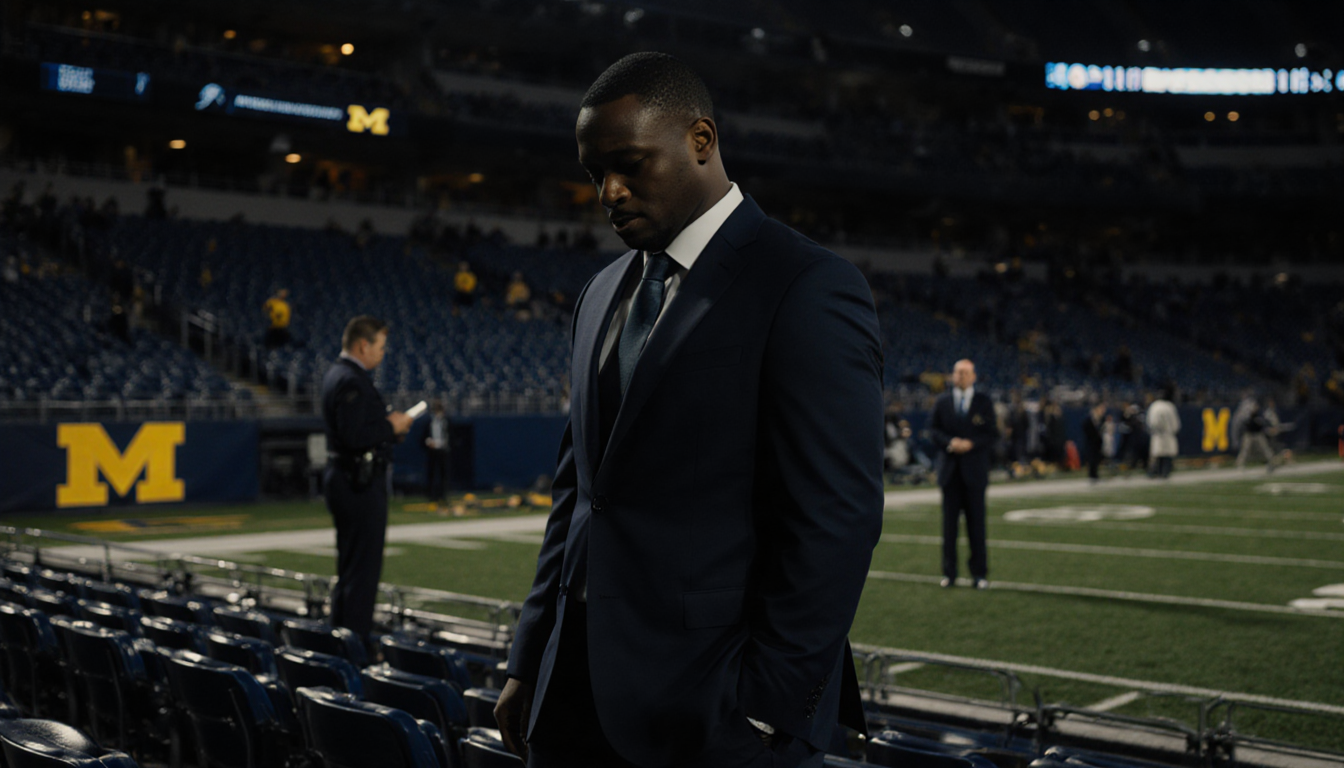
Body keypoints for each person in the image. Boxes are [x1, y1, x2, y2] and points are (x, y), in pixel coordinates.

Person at [494, 52, 884, 768]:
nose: (608, 191)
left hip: (715, 711)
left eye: (628, 164)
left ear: (700, 141)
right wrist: (532, 656)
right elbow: (579, 497)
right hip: (571, 695)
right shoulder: (600, 290)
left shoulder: (806, 285)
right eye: (593, 174)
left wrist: (769, 709)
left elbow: (837, 518)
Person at [320, 316, 413, 642]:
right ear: (363, 345)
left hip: (346, 478)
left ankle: (341, 641)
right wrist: (392, 427)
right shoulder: (351, 379)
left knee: (350, 569)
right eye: (380, 346)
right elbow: (355, 435)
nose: (383, 353)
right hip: (357, 482)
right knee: (362, 573)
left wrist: (386, 430)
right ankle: (352, 649)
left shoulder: (338, 374)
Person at [928, 359, 999, 589]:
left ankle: (979, 574)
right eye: (958, 372)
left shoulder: (983, 402)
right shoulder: (942, 401)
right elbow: (933, 430)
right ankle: (949, 573)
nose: (961, 376)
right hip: (950, 473)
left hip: (975, 473)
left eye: (965, 372)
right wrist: (950, 442)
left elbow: (991, 434)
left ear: (974, 376)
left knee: (977, 526)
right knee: (949, 528)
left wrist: (971, 443)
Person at [1146, 385, 1180, 479]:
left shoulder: (1154, 406)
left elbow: (1151, 422)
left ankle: (1153, 473)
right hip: (1168, 435)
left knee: (1157, 455)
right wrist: (1173, 431)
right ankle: (1165, 472)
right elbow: (1175, 423)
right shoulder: (1170, 406)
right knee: (1167, 455)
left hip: (1157, 435)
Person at [424, 401, 451, 503]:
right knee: (432, 473)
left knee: (443, 474)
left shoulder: (446, 421)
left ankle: (443, 495)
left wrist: (445, 444)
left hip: (443, 450)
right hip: (432, 451)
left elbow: (450, 435)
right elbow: (424, 437)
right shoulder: (429, 422)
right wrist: (428, 442)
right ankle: (431, 495)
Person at [1082, 401, 1107, 483]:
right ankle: (1092, 475)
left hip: (1097, 443)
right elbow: (1086, 427)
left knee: (1096, 459)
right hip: (1091, 442)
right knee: (1092, 459)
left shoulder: (1101, 419)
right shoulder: (1089, 418)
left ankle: (1095, 475)